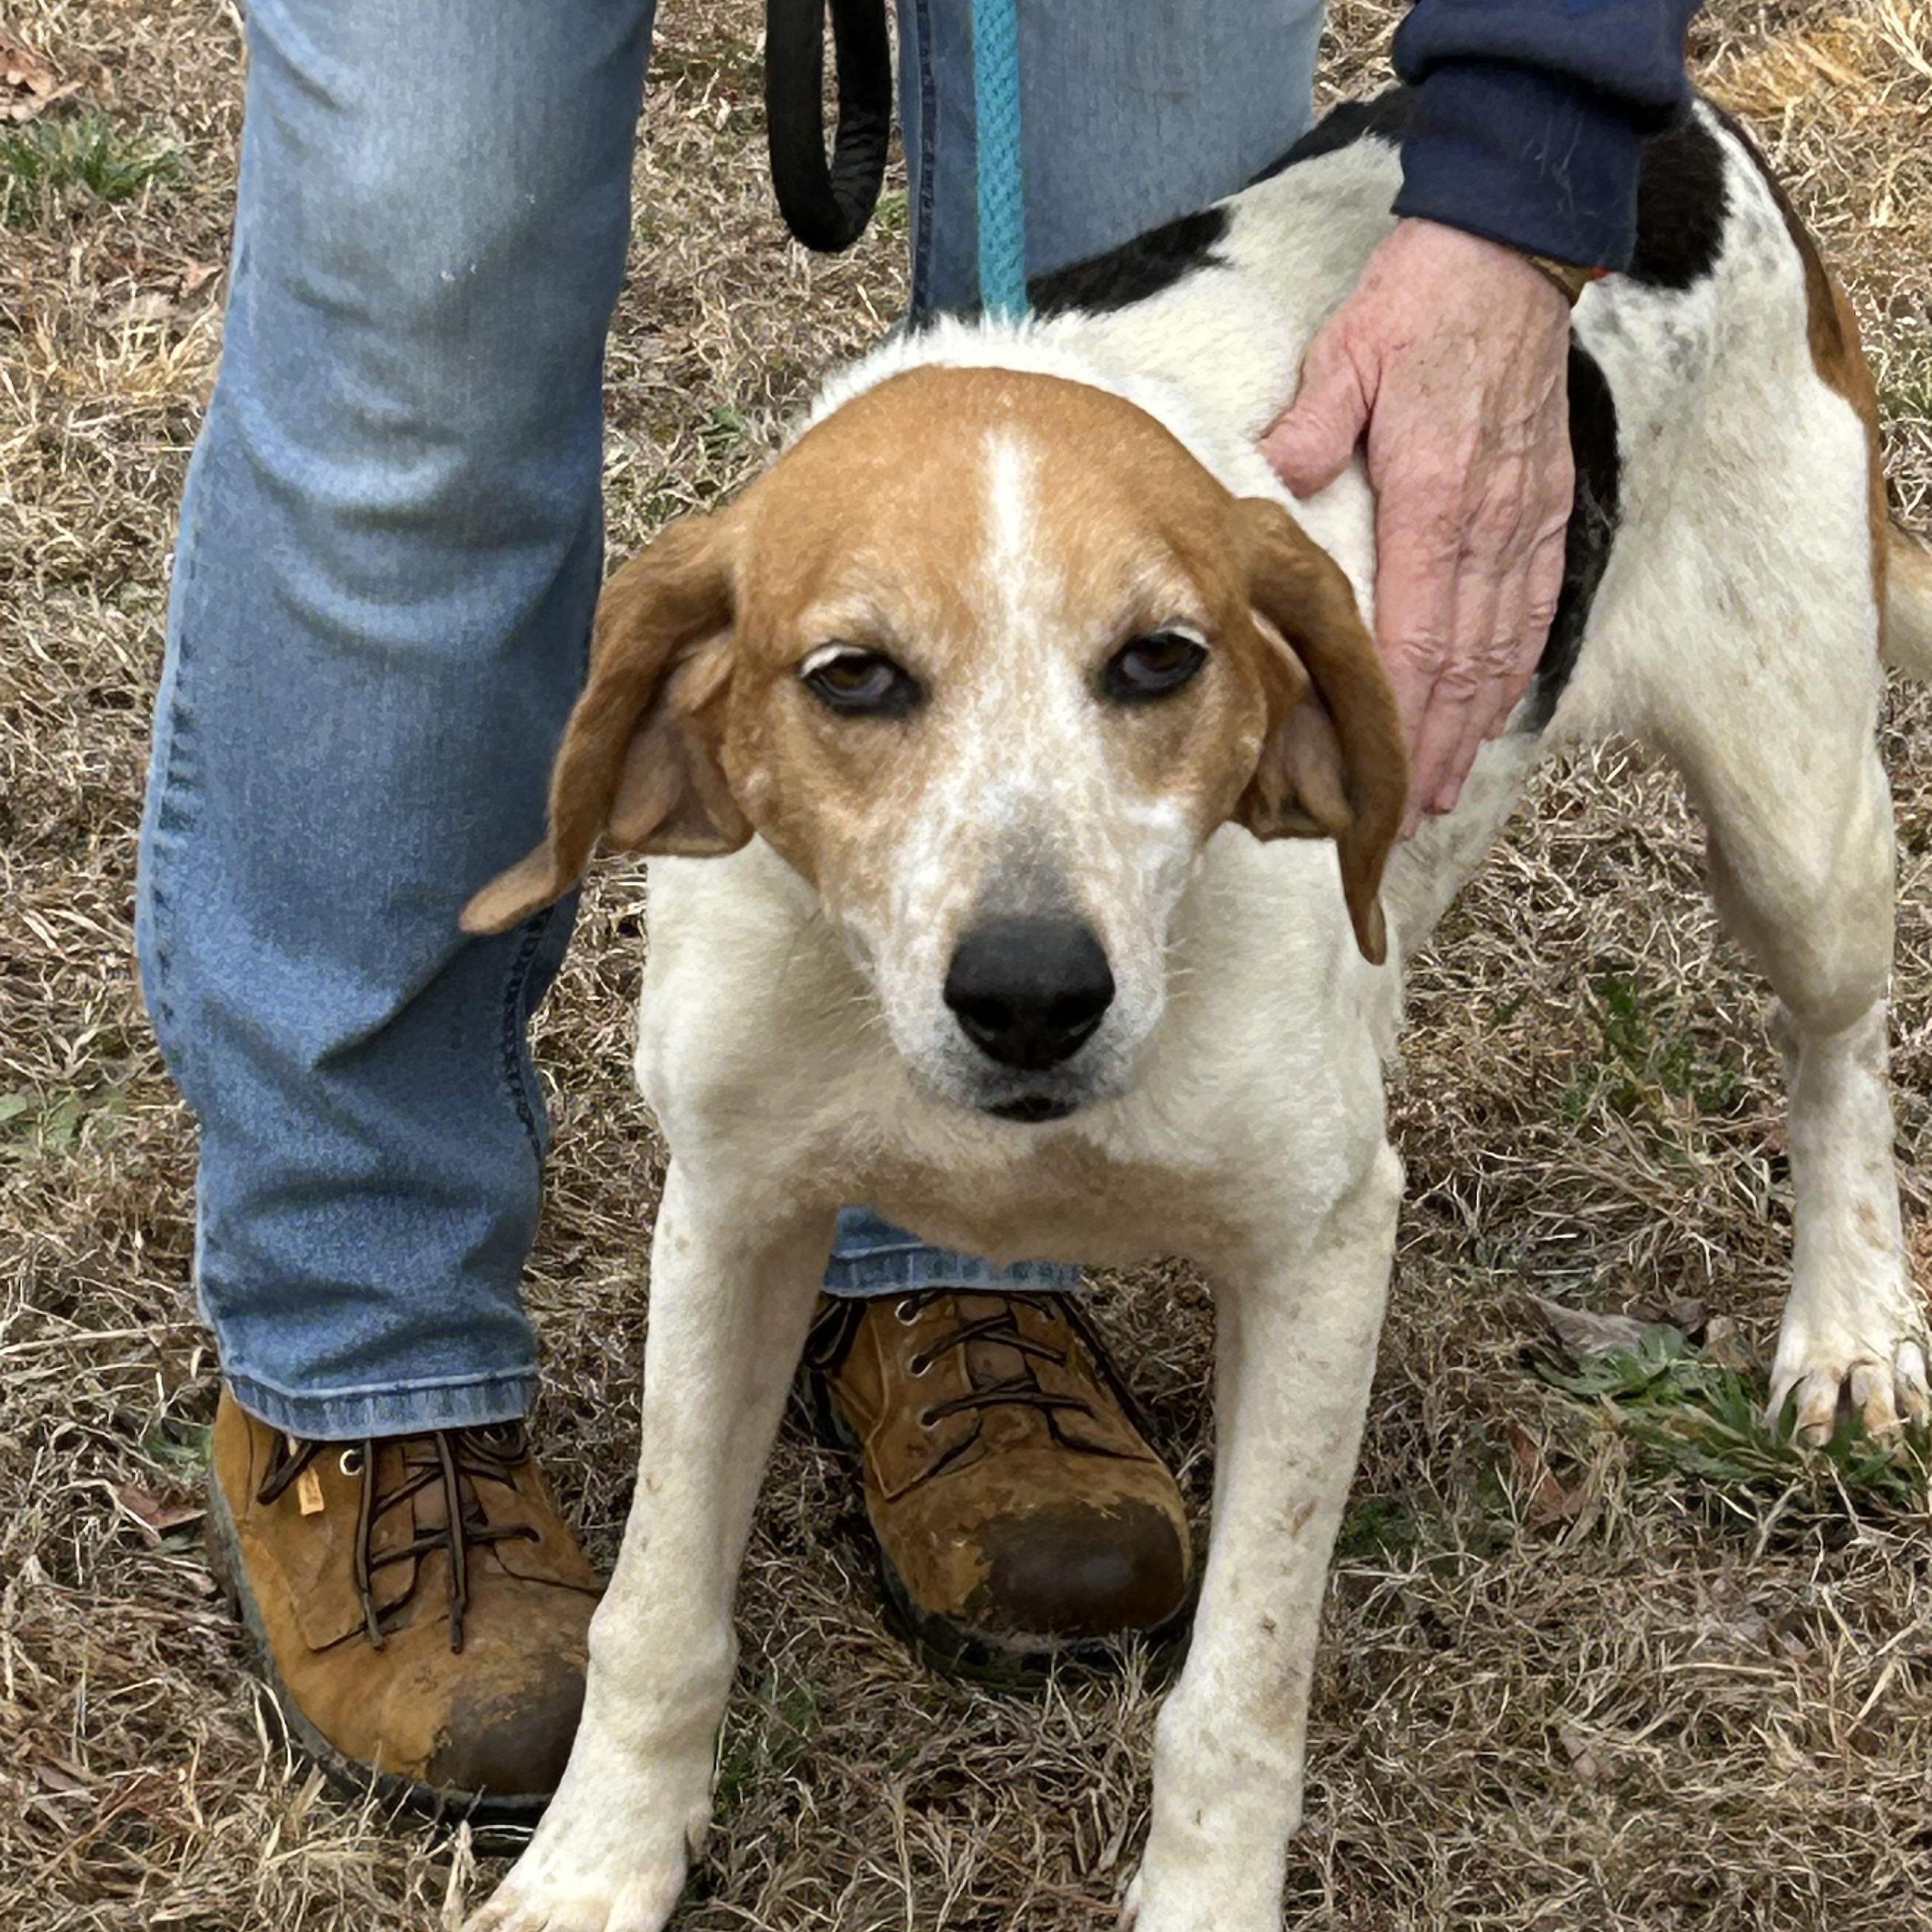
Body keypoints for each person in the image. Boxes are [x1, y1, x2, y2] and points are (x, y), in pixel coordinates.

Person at [135, 0, 1699, 1820]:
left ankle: (968, 1265)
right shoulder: (734, 726)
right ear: (682, 748)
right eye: (858, 682)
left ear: (1281, 710)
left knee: (1143, 191)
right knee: (422, 306)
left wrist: (1533, 156)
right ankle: (360, 1349)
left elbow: (1328, 1211)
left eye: (1161, 666)